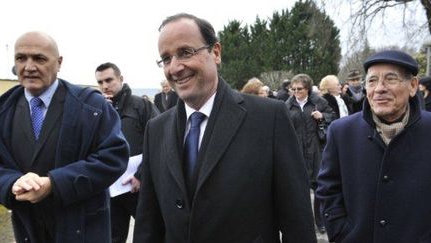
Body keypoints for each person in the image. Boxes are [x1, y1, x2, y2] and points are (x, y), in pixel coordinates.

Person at [133, 13, 317, 243]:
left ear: (216, 52)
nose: (175, 67)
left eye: (185, 52)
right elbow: (148, 224)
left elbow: (297, 221)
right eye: (166, 59)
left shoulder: (269, 118)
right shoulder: (156, 130)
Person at [0, 31, 129, 243]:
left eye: (39, 58)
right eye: (21, 58)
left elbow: (114, 157)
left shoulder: (91, 106)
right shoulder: (4, 109)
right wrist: (11, 182)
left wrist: (55, 183)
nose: (29, 67)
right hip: (29, 228)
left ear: (59, 63)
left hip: (83, 228)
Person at [316, 50, 431, 243]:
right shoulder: (342, 132)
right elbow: (328, 190)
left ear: (413, 86)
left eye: (390, 79)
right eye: (372, 81)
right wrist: (343, 234)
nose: (379, 89)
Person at [95, 62, 159, 243]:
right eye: (100, 82)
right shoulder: (96, 110)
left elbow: (159, 142)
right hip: (111, 189)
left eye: (109, 80)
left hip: (139, 187)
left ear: (121, 79)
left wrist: (141, 175)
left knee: (150, 234)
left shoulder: (141, 106)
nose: (105, 86)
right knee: (113, 237)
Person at [285, 73, 336, 234]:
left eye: (299, 89)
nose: (296, 92)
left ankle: (320, 221)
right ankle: (304, 222)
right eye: (293, 89)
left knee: (319, 187)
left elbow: (333, 116)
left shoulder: (318, 102)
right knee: (300, 190)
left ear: (307, 88)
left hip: (316, 149)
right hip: (297, 151)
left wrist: (322, 116)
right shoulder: (287, 105)